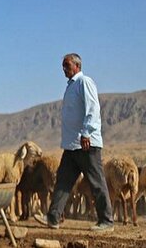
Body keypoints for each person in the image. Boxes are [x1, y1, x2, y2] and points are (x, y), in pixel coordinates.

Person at [34, 53, 114, 231]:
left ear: (77, 66)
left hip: (86, 144)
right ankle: (53, 217)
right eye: (63, 66)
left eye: (67, 65)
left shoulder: (84, 82)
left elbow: (93, 108)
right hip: (72, 145)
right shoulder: (71, 86)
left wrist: (86, 133)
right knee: (63, 181)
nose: (64, 69)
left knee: (96, 181)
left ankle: (107, 220)